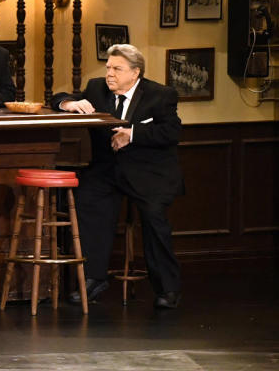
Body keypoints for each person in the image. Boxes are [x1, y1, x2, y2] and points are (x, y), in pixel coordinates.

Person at [51, 44, 183, 309]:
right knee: (87, 201)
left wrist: (132, 134)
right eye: (108, 67)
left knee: (154, 218)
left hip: (148, 173)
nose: (109, 74)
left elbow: (171, 133)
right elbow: (56, 98)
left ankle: (167, 288)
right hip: (107, 171)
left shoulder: (160, 95)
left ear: (135, 73)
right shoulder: (96, 88)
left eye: (117, 69)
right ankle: (93, 279)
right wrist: (70, 103)